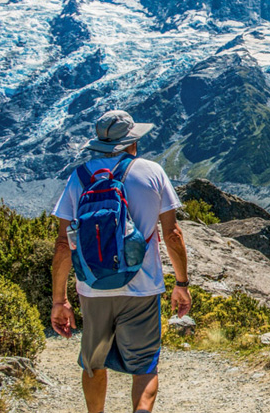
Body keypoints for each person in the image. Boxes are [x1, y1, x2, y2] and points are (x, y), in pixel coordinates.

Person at [50, 110, 191, 413]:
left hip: (93, 288)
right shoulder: (151, 172)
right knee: (145, 368)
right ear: (131, 142)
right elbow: (173, 233)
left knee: (93, 363)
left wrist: (59, 300)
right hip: (142, 289)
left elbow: (63, 244)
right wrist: (181, 283)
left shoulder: (81, 177)